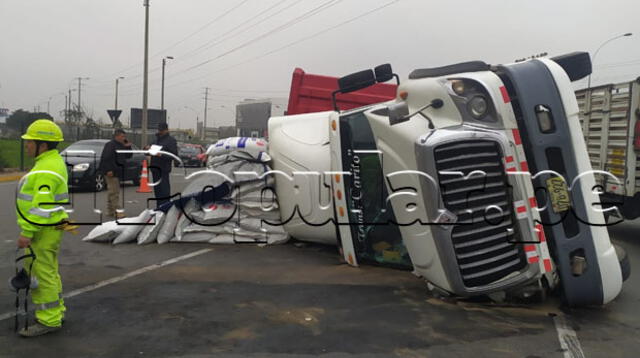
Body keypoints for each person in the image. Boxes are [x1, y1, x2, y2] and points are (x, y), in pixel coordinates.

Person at [15, 119, 69, 337]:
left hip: (42, 231)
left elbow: (40, 208)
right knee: (50, 271)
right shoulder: (52, 162)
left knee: (42, 274)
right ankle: (57, 312)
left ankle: (49, 320)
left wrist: (26, 233)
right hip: (50, 229)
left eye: (30, 141)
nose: (26, 145)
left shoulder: (46, 169)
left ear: (43, 145)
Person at [99, 129, 132, 218]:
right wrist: (109, 170)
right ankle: (118, 211)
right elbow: (106, 158)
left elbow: (128, 155)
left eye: (124, 136)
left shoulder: (121, 145)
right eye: (122, 136)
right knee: (114, 192)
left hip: (118, 171)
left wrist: (128, 147)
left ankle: (110, 211)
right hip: (111, 171)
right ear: (116, 136)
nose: (124, 138)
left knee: (112, 192)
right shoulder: (111, 145)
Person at [149, 122, 177, 207]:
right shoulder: (155, 140)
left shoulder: (171, 141)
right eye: (159, 129)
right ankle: (159, 207)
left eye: (161, 130)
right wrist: (147, 149)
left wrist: (161, 154)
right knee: (157, 191)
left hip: (163, 169)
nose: (159, 131)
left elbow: (173, 154)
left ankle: (165, 207)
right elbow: (149, 150)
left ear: (166, 130)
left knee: (164, 191)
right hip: (155, 168)